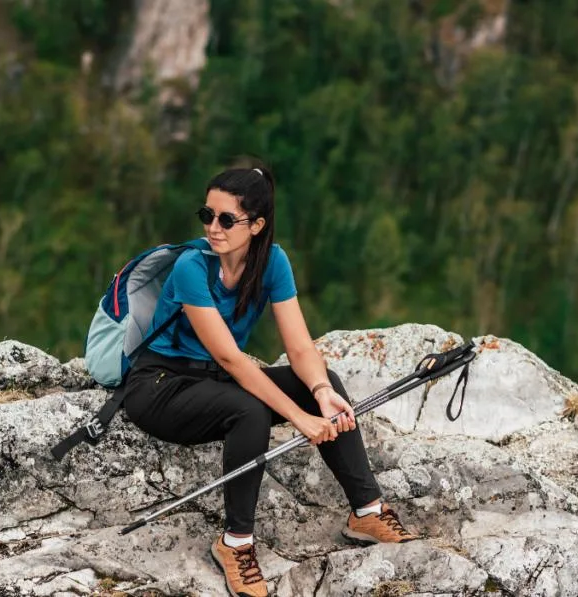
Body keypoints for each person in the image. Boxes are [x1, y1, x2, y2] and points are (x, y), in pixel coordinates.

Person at [122, 164, 417, 597]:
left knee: (326, 381)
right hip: (161, 385)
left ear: (257, 225)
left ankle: (367, 511)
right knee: (249, 411)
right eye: (207, 215)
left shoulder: (273, 262)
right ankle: (235, 543)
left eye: (227, 219)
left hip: (217, 380)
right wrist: (299, 418)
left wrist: (319, 394)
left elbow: (299, 349)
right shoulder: (191, 268)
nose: (213, 228)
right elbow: (232, 359)